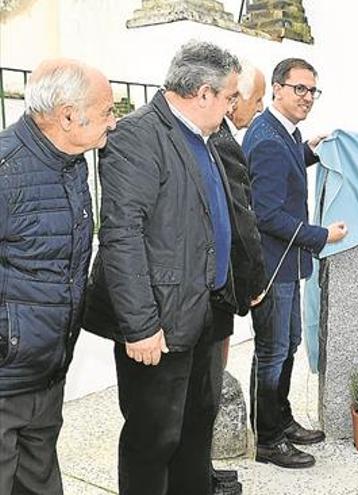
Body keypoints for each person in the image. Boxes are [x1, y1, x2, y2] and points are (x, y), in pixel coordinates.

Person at [82, 41, 241, 495]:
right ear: (204, 93)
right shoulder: (138, 135)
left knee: (194, 435)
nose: (232, 106)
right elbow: (121, 235)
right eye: (230, 96)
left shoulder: (206, 138)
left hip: (204, 313)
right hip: (158, 320)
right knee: (154, 440)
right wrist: (139, 326)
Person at [0, 59, 115, 495]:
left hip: (47, 373)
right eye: (105, 111)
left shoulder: (72, 163)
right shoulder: (6, 168)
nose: (113, 120)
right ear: (67, 116)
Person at [243, 57, 347, 469]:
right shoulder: (268, 138)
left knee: (287, 346)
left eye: (312, 90)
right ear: (277, 89)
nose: (306, 98)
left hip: (286, 265)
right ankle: (268, 440)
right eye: (299, 89)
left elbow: (279, 172)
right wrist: (323, 236)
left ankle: (281, 421)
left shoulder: (282, 133)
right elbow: (266, 214)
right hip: (273, 267)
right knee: (272, 352)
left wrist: (307, 152)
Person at [206, 61, 267, 495]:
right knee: (206, 384)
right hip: (217, 285)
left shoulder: (216, 135)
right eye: (255, 99)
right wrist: (253, 282)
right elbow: (241, 218)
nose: (257, 109)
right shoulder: (222, 140)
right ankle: (199, 473)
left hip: (209, 282)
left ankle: (200, 469)